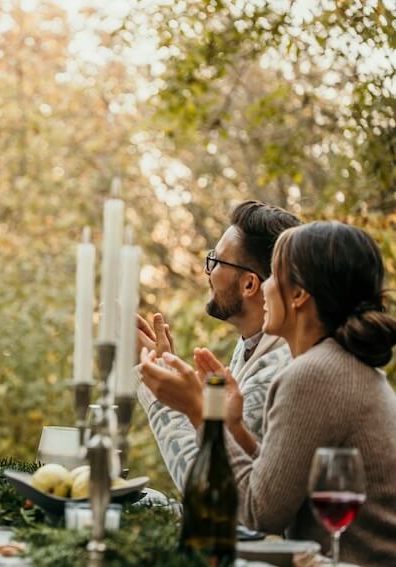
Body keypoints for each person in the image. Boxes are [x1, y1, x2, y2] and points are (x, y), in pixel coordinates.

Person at [143, 221, 396, 565]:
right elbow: (279, 481)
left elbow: (258, 513)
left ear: (298, 294)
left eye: (273, 277)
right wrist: (236, 430)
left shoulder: (314, 374)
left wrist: (201, 412)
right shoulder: (337, 365)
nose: (264, 290)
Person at [136, 201, 300, 491]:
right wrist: (169, 373)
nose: (207, 272)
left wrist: (156, 392)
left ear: (250, 285)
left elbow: (210, 489)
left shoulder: (278, 372)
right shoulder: (252, 347)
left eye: (216, 261)